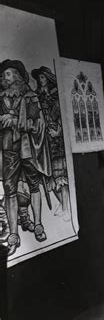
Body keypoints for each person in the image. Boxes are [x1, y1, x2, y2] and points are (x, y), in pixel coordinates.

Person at [0, 59, 52, 255]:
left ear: (19, 77)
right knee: (9, 188)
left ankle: (38, 223)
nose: (6, 77)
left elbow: (38, 125)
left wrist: (15, 121)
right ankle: (13, 234)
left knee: (33, 184)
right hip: (8, 149)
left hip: (27, 148)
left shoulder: (31, 97)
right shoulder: (0, 98)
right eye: (4, 74)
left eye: (9, 73)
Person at [32, 66, 71, 221]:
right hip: (44, 139)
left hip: (58, 140)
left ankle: (66, 208)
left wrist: (59, 131)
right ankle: (62, 205)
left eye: (42, 77)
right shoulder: (37, 96)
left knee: (61, 175)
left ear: (48, 78)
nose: (40, 81)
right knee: (50, 177)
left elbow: (63, 114)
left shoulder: (56, 96)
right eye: (38, 78)